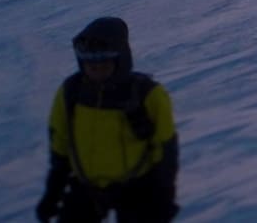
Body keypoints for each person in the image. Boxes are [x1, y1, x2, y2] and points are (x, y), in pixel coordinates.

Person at [37, 17, 179, 222]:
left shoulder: (147, 94)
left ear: (120, 60)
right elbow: (60, 146)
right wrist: (53, 193)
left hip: (138, 189)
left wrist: (164, 195)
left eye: (104, 63)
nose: (96, 69)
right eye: (90, 64)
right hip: (87, 187)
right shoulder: (71, 93)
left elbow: (165, 149)